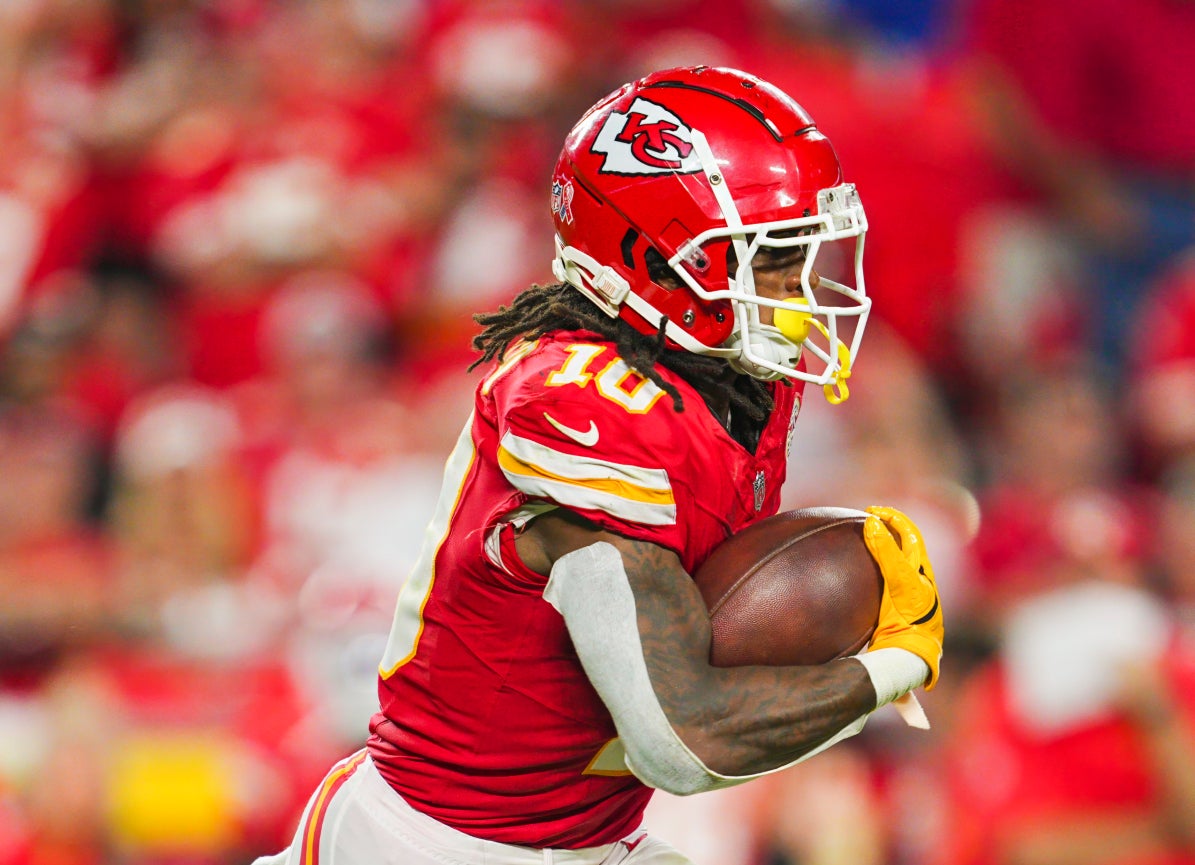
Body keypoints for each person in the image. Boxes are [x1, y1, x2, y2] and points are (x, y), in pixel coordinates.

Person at [253, 65, 944, 865]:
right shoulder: (591, 403)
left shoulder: (727, 381)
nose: (799, 290)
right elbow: (680, 739)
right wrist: (894, 661)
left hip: (583, 837)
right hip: (439, 843)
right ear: (654, 256)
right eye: (771, 258)